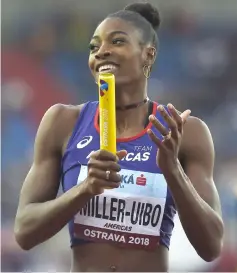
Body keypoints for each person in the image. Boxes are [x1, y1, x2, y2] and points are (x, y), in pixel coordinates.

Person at [14, 2, 224, 272]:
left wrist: (173, 170)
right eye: (94, 46)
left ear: (148, 54)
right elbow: (24, 231)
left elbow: (211, 246)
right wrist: (85, 189)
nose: (101, 52)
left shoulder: (184, 131)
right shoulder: (62, 122)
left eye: (117, 41)